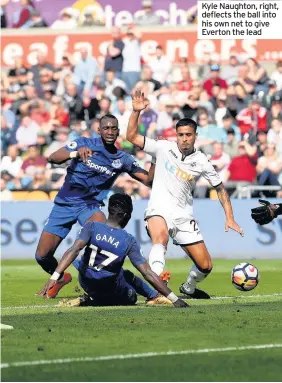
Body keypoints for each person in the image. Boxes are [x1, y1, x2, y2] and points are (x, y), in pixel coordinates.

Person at [126, 90, 244, 298]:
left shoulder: (202, 161)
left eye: (188, 135)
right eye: (181, 135)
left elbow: (220, 188)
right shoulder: (163, 147)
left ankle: (188, 287)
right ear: (176, 135)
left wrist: (230, 217)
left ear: (195, 136)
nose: (184, 139)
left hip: (183, 215)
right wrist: (135, 112)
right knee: (160, 238)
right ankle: (158, 287)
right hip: (159, 209)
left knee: (205, 265)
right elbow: (132, 137)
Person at [35, 114, 154, 299]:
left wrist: (155, 156)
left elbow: (148, 180)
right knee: (42, 256)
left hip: (89, 207)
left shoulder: (123, 159)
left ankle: (114, 281)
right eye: (105, 128)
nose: (110, 131)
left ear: (118, 132)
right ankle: (59, 278)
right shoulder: (84, 143)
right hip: (64, 204)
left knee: (104, 236)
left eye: (113, 128)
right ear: (99, 130)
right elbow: (53, 157)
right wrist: (75, 153)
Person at [38, 193, 188, 308]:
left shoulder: (91, 226)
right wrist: (175, 299)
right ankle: (90, 300)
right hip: (107, 287)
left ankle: (154, 296)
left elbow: (74, 250)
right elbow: (147, 272)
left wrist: (55, 276)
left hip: (85, 280)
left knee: (125, 274)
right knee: (132, 298)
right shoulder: (128, 240)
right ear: (126, 215)